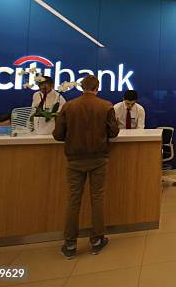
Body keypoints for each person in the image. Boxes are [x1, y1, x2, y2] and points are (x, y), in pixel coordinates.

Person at [53, 75, 119, 259]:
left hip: (74, 160)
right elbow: (113, 132)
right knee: (97, 198)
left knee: (74, 200)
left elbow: (58, 135)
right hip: (99, 158)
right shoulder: (106, 106)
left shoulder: (68, 106)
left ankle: (70, 244)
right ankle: (97, 240)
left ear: (82, 87)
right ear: (97, 87)